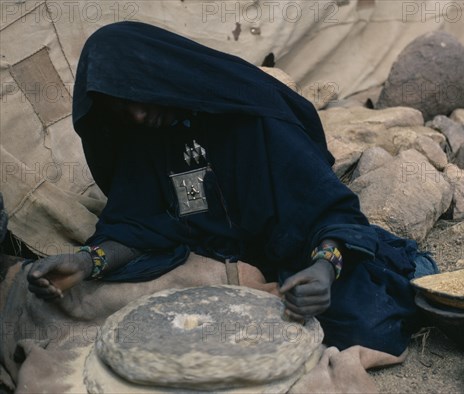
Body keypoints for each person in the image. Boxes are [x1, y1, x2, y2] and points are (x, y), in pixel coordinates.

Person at [26, 21, 437, 357]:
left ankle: (411, 269)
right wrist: (88, 262)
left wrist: (324, 269)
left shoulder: (253, 118)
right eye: (120, 109)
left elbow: (329, 210)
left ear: (160, 75)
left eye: (138, 96)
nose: (136, 113)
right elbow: (138, 225)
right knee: (122, 325)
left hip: (298, 256)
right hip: (223, 268)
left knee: (365, 326)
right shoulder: (145, 141)